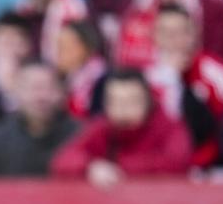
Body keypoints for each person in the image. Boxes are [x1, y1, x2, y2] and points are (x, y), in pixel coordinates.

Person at [51, 68, 195, 184]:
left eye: (132, 101)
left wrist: (118, 168)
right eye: (116, 102)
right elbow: (62, 161)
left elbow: (177, 164)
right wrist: (90, 168)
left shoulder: (170, 127)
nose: (123, 109)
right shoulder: (102, 127)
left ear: (148, 101)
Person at [147, 4, 223, 167]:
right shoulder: (146, 78)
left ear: (194, 35)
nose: (174, 41)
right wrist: (170, 78)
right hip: (157, 169)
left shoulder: (216, 72)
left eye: (181, 32)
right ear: (155, 36)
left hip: (210, 168)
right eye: (166, 33)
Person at [0, 61, 78, 177]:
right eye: (34, 88)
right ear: (17, 91)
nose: (41, 97)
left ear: (62, 92)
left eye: (49, 88)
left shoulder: (79, 135)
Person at [55, 18, 108, 118]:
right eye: (59, 47)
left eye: (65, 46)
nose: (59, 53)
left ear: (86, 46)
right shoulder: (69, 77)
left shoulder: (101, 80)